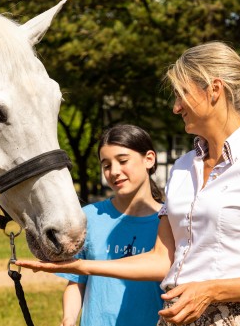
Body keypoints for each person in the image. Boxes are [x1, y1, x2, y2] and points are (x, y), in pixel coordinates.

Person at [18, 41, 240, 326]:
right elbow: (162, 259)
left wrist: (210, 291)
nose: (176, 107)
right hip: (174, 316)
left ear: (214, 90)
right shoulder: (182, 168)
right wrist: (82, 266)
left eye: (182, 94)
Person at [56, 124, 165, 326]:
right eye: (106, 165)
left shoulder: (169, 222)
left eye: (123, 161)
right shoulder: (88, 217)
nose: (114, 171)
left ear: (149, 159)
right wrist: (69, 318)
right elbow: (76, 282)